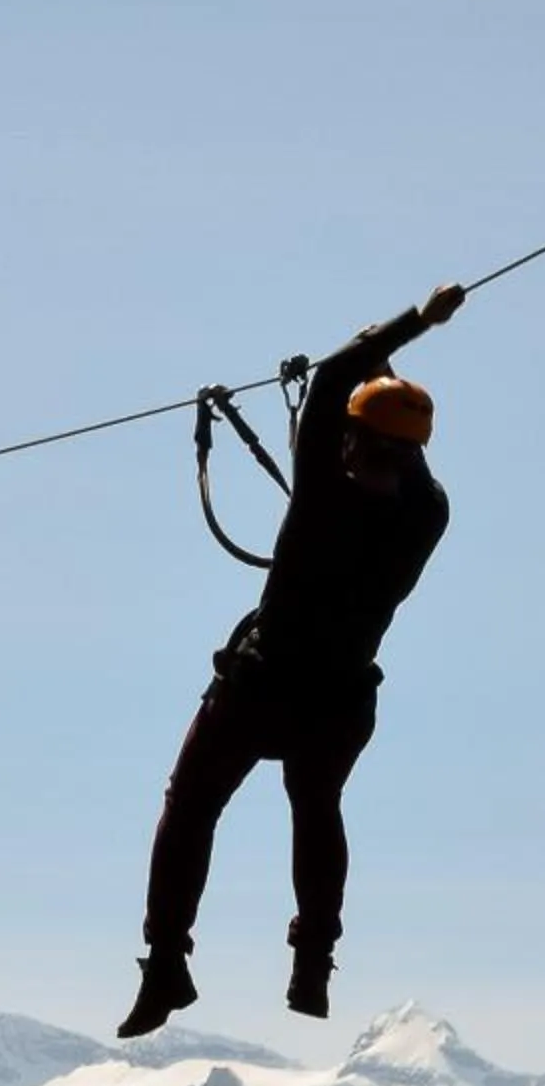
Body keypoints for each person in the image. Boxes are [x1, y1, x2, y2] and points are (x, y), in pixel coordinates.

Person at [119, 282, 466, 1039]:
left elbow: (339, 377)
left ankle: (167, 964)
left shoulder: (323, 493)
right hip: (339, 703)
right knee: (316, 809)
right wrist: (394, 415)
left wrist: (416, 322)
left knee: (190, 807)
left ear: (351, 442)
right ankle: (312, 963)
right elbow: (392, 439)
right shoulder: (427, 514)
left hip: (261, 688)